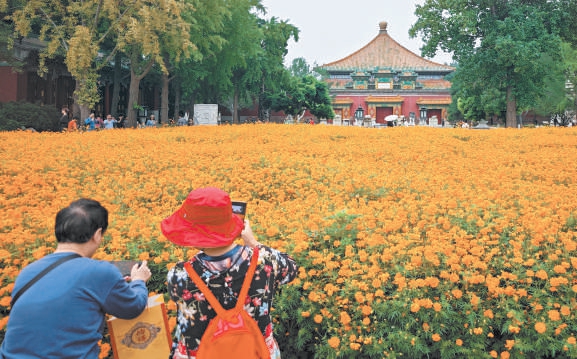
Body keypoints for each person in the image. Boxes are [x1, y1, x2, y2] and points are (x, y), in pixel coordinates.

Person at [0, 199, 152, 359]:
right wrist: (138, 281)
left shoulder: (27, 272)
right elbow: (133, 307)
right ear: (97, 234)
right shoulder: (99, 272)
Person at [161, 187, 298, 359]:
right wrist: (254, 243)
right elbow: (291, 269)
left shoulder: (179, 274)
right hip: (256, 352)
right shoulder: (265, 261)